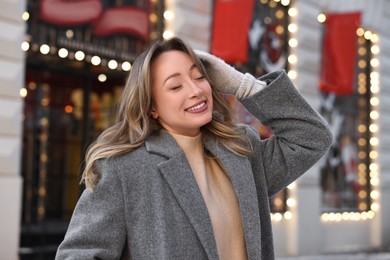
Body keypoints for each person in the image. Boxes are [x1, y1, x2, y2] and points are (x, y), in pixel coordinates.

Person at [55, 37, 332, 260]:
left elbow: (311, 137)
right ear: (151, 106)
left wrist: (241, 84)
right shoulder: (124, 167)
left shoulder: (240, 149)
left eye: (199, 77)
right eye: (176, 86)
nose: (196, 91)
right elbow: (79, 254)